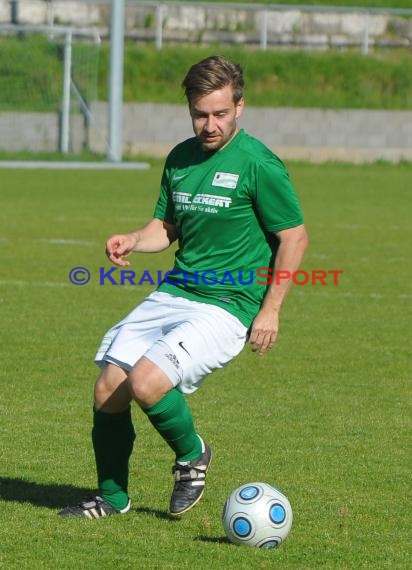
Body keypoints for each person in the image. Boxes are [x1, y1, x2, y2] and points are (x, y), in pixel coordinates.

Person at [59, 55, 308, 519]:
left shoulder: (259, 164)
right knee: (109, 388)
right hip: (177, 292)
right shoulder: (180, 157)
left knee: (148, 382)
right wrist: (135, 238)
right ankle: (112, 498)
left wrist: (271, 310)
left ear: (240, 107)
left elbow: (294, 237)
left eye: (220, 113)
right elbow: (167, 227)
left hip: (229, 304)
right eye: (200, 114)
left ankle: (192, 455)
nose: (209, 125)